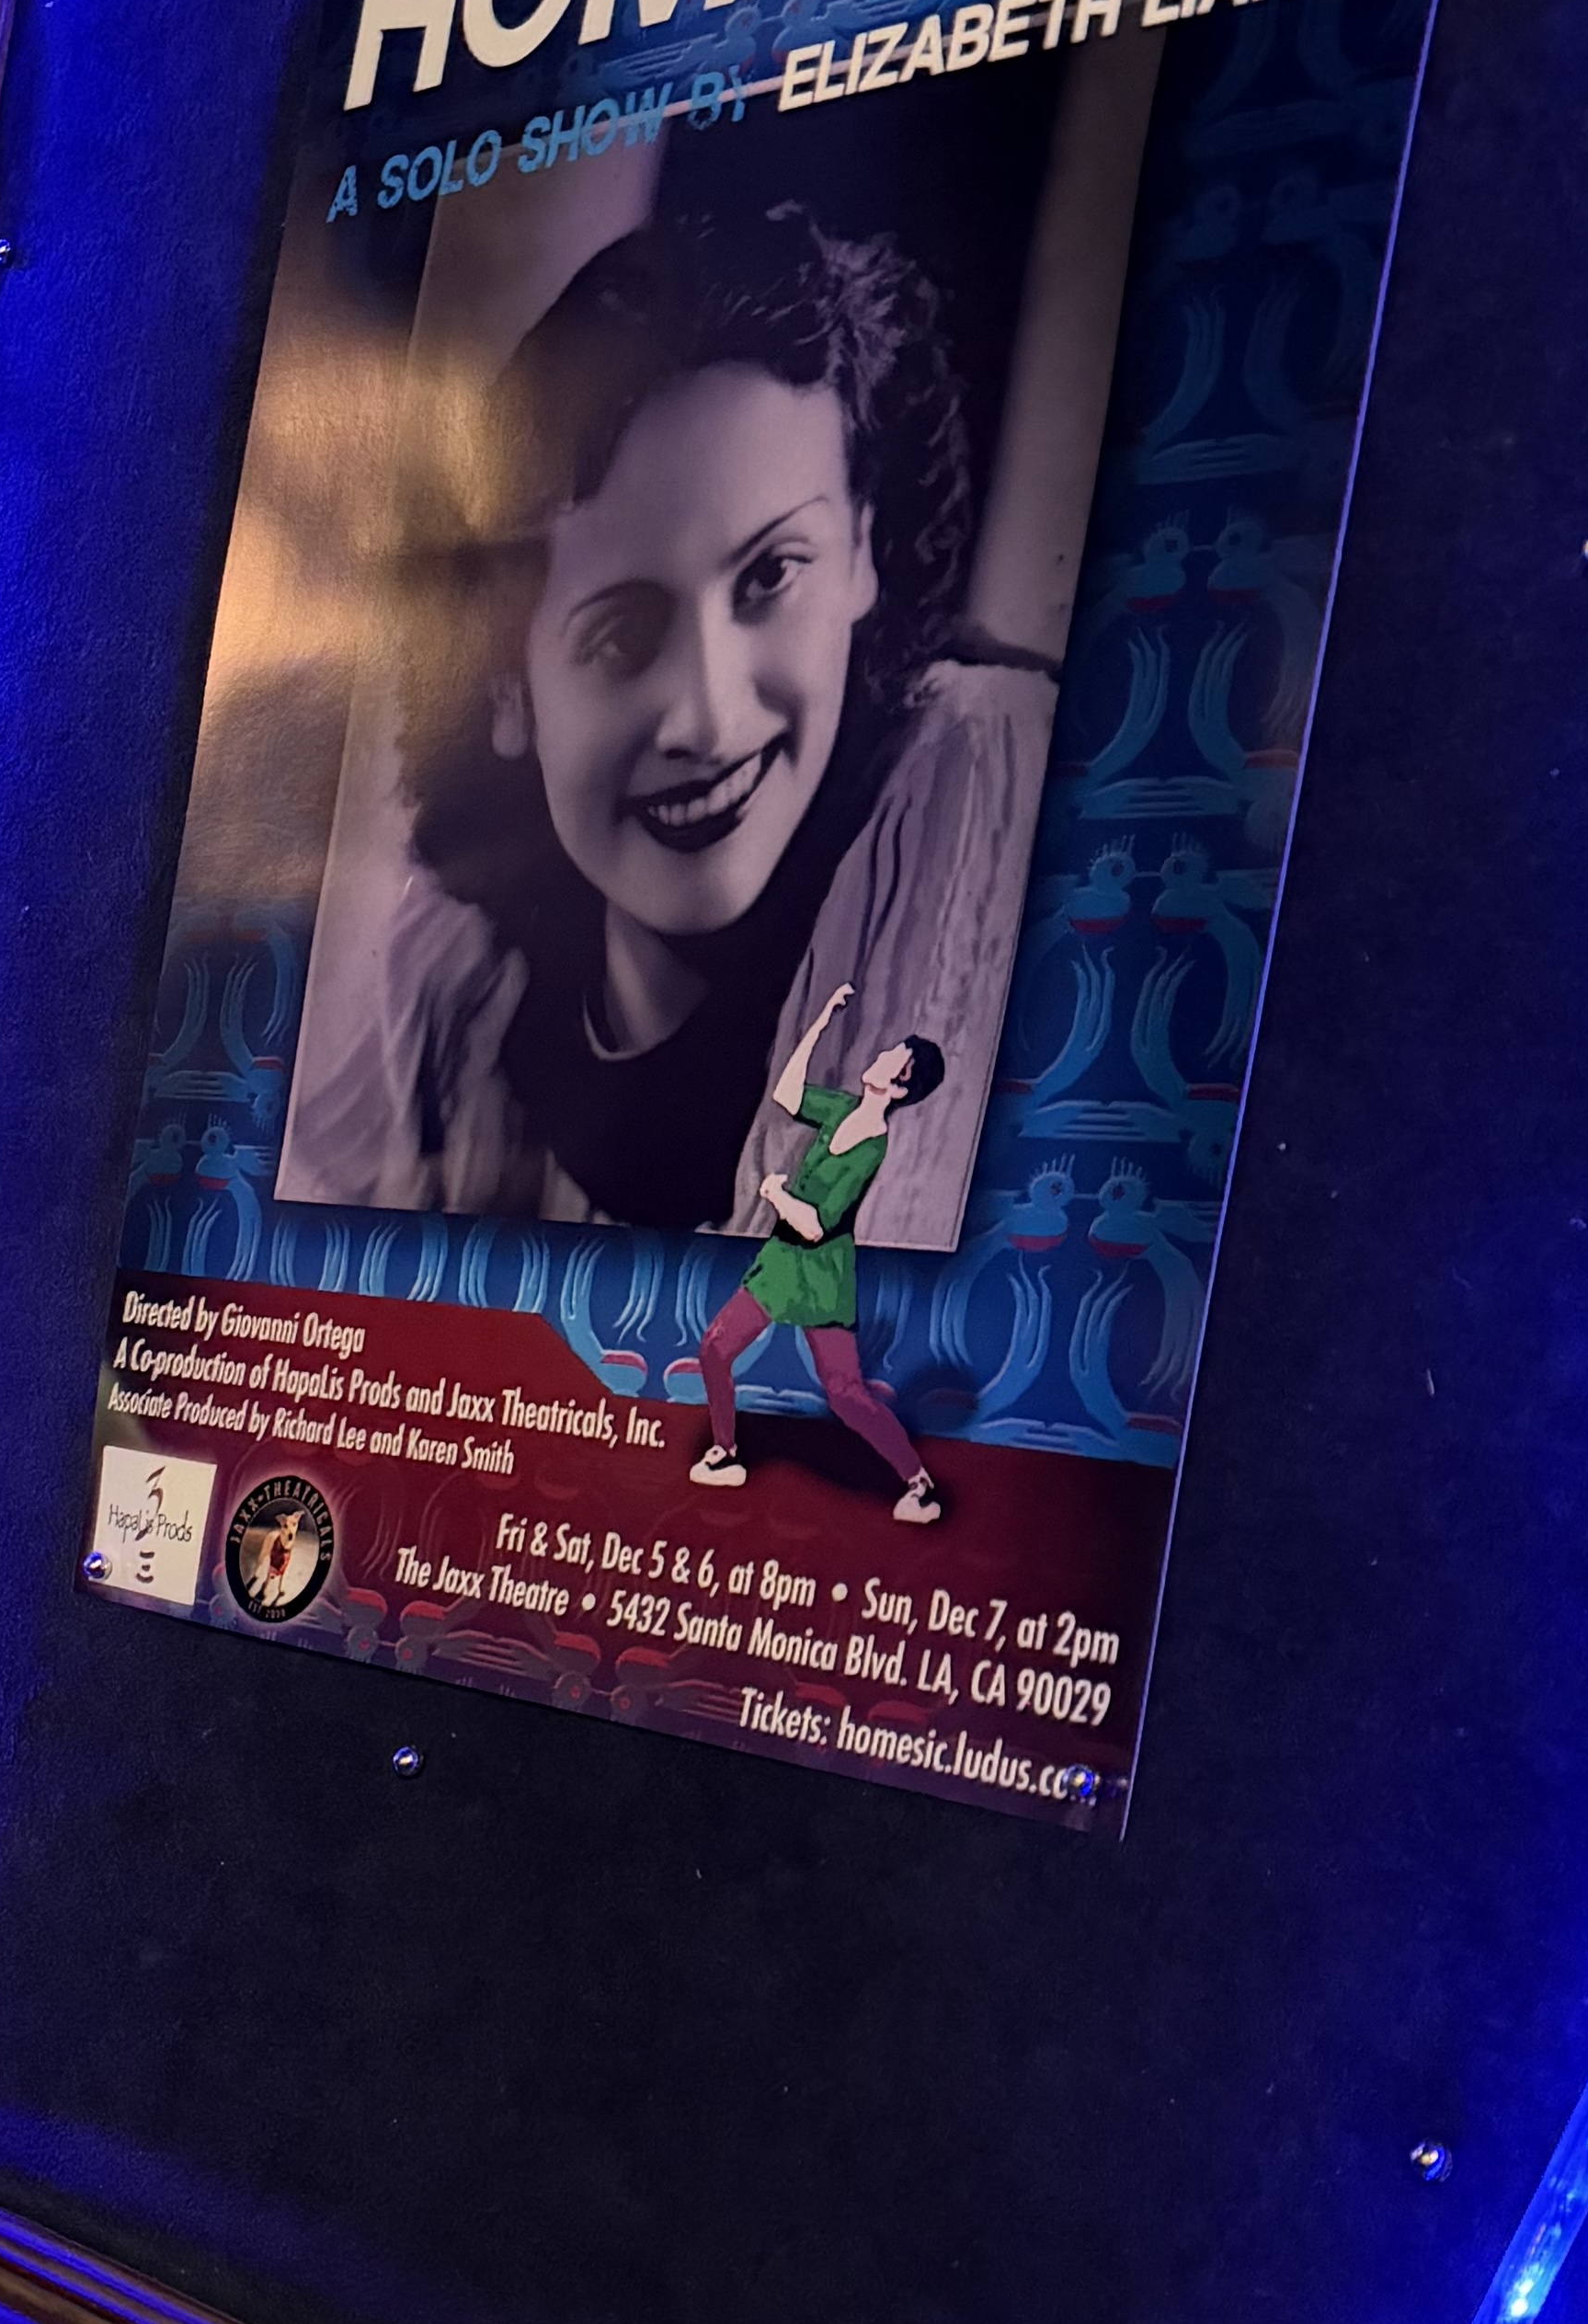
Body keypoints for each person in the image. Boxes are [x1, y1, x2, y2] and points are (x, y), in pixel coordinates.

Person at [275, 196, 1056, 1245]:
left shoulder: (974, 760)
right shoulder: (462, 981)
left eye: (770, 575)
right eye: (621, 635)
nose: (709, 716)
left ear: (863, 553)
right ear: (507, 687)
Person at [684, 981, 946, 1521]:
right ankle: (725, 1452)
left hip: (823, 1271)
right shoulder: (842, 1108)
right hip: (784, 1262)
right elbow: (788, 1095)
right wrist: (822, 1020)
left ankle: (917, 1483)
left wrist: (776, 1193)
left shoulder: (871, 1149)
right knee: (715, 1348)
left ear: (900, 1084)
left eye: (892, 1056)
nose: (880, 1054)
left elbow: (814, 1226)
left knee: (845, 1394)